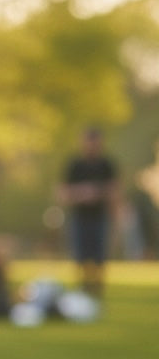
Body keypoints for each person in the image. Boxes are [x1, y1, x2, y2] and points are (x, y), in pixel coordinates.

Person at [57, 126, 120, 299]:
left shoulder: (107, 164)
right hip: (80, 217)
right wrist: (81, 193)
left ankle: (98, 289)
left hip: (100, 217)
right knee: (80, 254)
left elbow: (115, 191)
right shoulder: (74, 165)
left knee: (99, 255)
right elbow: (63, 193)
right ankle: (83, 287)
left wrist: (98, 193)